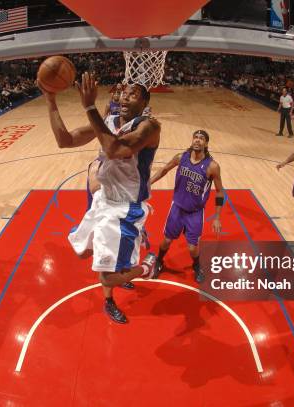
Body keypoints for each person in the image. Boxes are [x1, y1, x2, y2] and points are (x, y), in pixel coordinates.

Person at [44, 74, 160, 324]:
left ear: (145, 101)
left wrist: (88, 106)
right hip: (104, 202)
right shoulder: (109, 121)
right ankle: (124, 265)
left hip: (124, 210)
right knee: (83, 253)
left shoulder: (149, 126)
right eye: (124, 92)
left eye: (133, 94)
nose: (126, 97)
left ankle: (146, 268)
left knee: (106, 277)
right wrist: (51, 99)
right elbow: (65, 140)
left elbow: (115, 149)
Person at [150, 130, 224, 283]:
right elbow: (164, 170)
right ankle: (159, 261)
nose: (197, 140)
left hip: (195, 212)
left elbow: (219, 192)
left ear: (206, 143)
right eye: (195, 137)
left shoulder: (212, 166)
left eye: (201, 138)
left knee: (192, 247)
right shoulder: (181, 158)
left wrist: (217, 217)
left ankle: (196, 265)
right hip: (177, 208)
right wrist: (148, 184)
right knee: (167, 240)